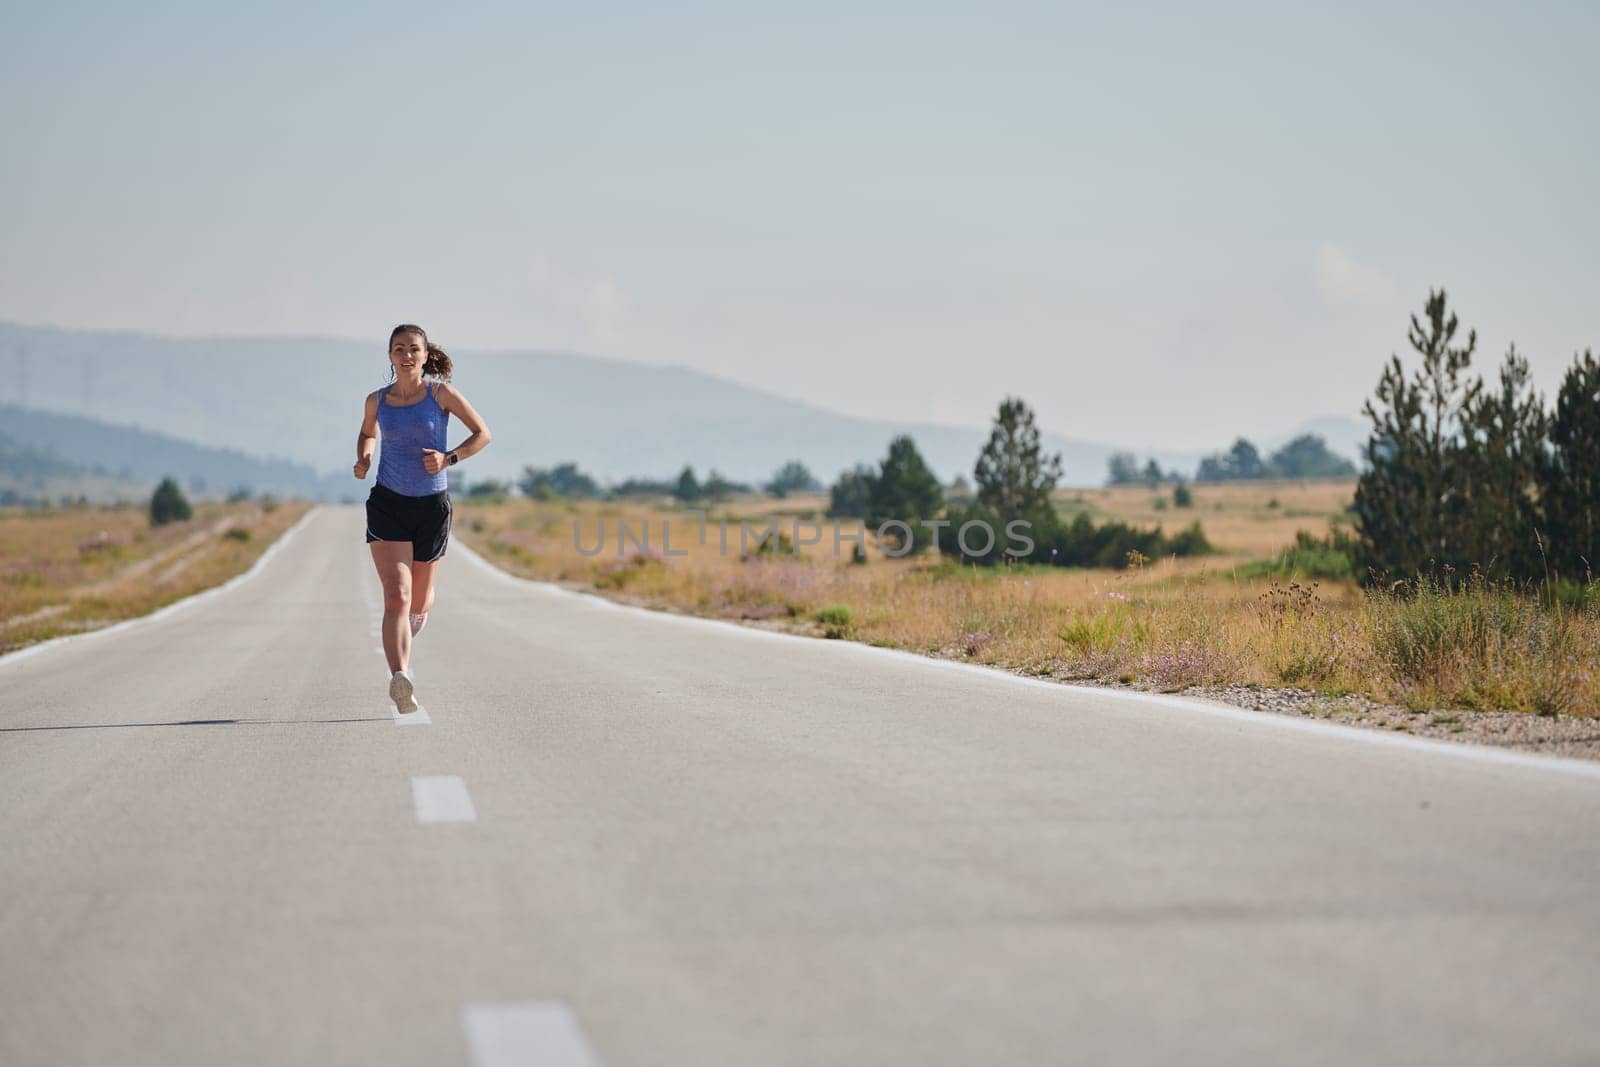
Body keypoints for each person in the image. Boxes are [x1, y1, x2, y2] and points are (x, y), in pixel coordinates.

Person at [354, 324, 492, 713]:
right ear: (390, 356)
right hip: (387, 503)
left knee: (418, 602)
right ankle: (400, 678)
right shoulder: (376, 401)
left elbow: (483, 434)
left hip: (431, 507)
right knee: (396, 596)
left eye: (413, 348)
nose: (406, 355)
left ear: (426, 354)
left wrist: (449, 459)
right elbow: (367, 434)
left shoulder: (440, 394)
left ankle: (417, 618)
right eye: (399, 349)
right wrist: (364, 457)